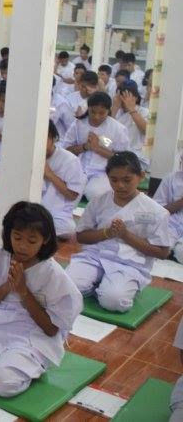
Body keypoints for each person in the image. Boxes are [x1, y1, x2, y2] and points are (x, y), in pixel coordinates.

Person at [0, 202, 82, 398]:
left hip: (33, 337)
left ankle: (23, 365)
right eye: (17, 237)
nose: (22, 246)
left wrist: (23, 291)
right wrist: (8, 286)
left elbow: (51, 329)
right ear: (8, 233)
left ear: (45, 240)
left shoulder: (54, 275)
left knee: (1, 383)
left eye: (31, 241)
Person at [66, 151, 172, 312]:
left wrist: (125, 235)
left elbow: (163, 252)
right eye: (114, 180)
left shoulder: (156, 211)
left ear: (141, 176)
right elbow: (81, 236)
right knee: (67, 288)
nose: (120, 185)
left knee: (113, 302)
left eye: (127, 180)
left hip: (129, 263)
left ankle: (113, 287)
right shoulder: (99, 201)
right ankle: (97, 283)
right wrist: (107, 233)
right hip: (95, 256)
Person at [59, 92, 130, 200]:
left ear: (108, 111)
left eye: (102, 113)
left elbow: (123, 159)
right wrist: (85, 147)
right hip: (78, 169)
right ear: (88, 108)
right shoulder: (78, 124)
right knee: (63, 189)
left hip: (103, 172)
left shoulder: (117, 129)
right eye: (93, 112)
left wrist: (97, 148)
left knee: (94, 193)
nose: (96, 117)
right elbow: (66, 150)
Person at [40, 120, 87, 239]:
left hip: (56, 213)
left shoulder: (70, 160)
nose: (38, 143)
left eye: (43, 139)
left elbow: (72, 195)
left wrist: (50, 174)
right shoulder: (28, 155)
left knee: (67, 228)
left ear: (54, 138)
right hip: (29, 206)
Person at [112, 81, 150, 169]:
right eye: (121, 97)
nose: (123, 101)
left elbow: (146, 131)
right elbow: (106, 130)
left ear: (135, 97)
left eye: (126, 97)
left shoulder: (144, 111)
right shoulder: (115, 111)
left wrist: (131, 109)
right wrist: (114, 108)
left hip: (137, 156)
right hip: (116, 153)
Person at [154, 150, 183, 262]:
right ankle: (170, 252)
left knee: (181, 251)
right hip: (171, 224)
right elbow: (157, 211)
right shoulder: (171, 179)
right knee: (156, 247)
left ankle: (174, 252)